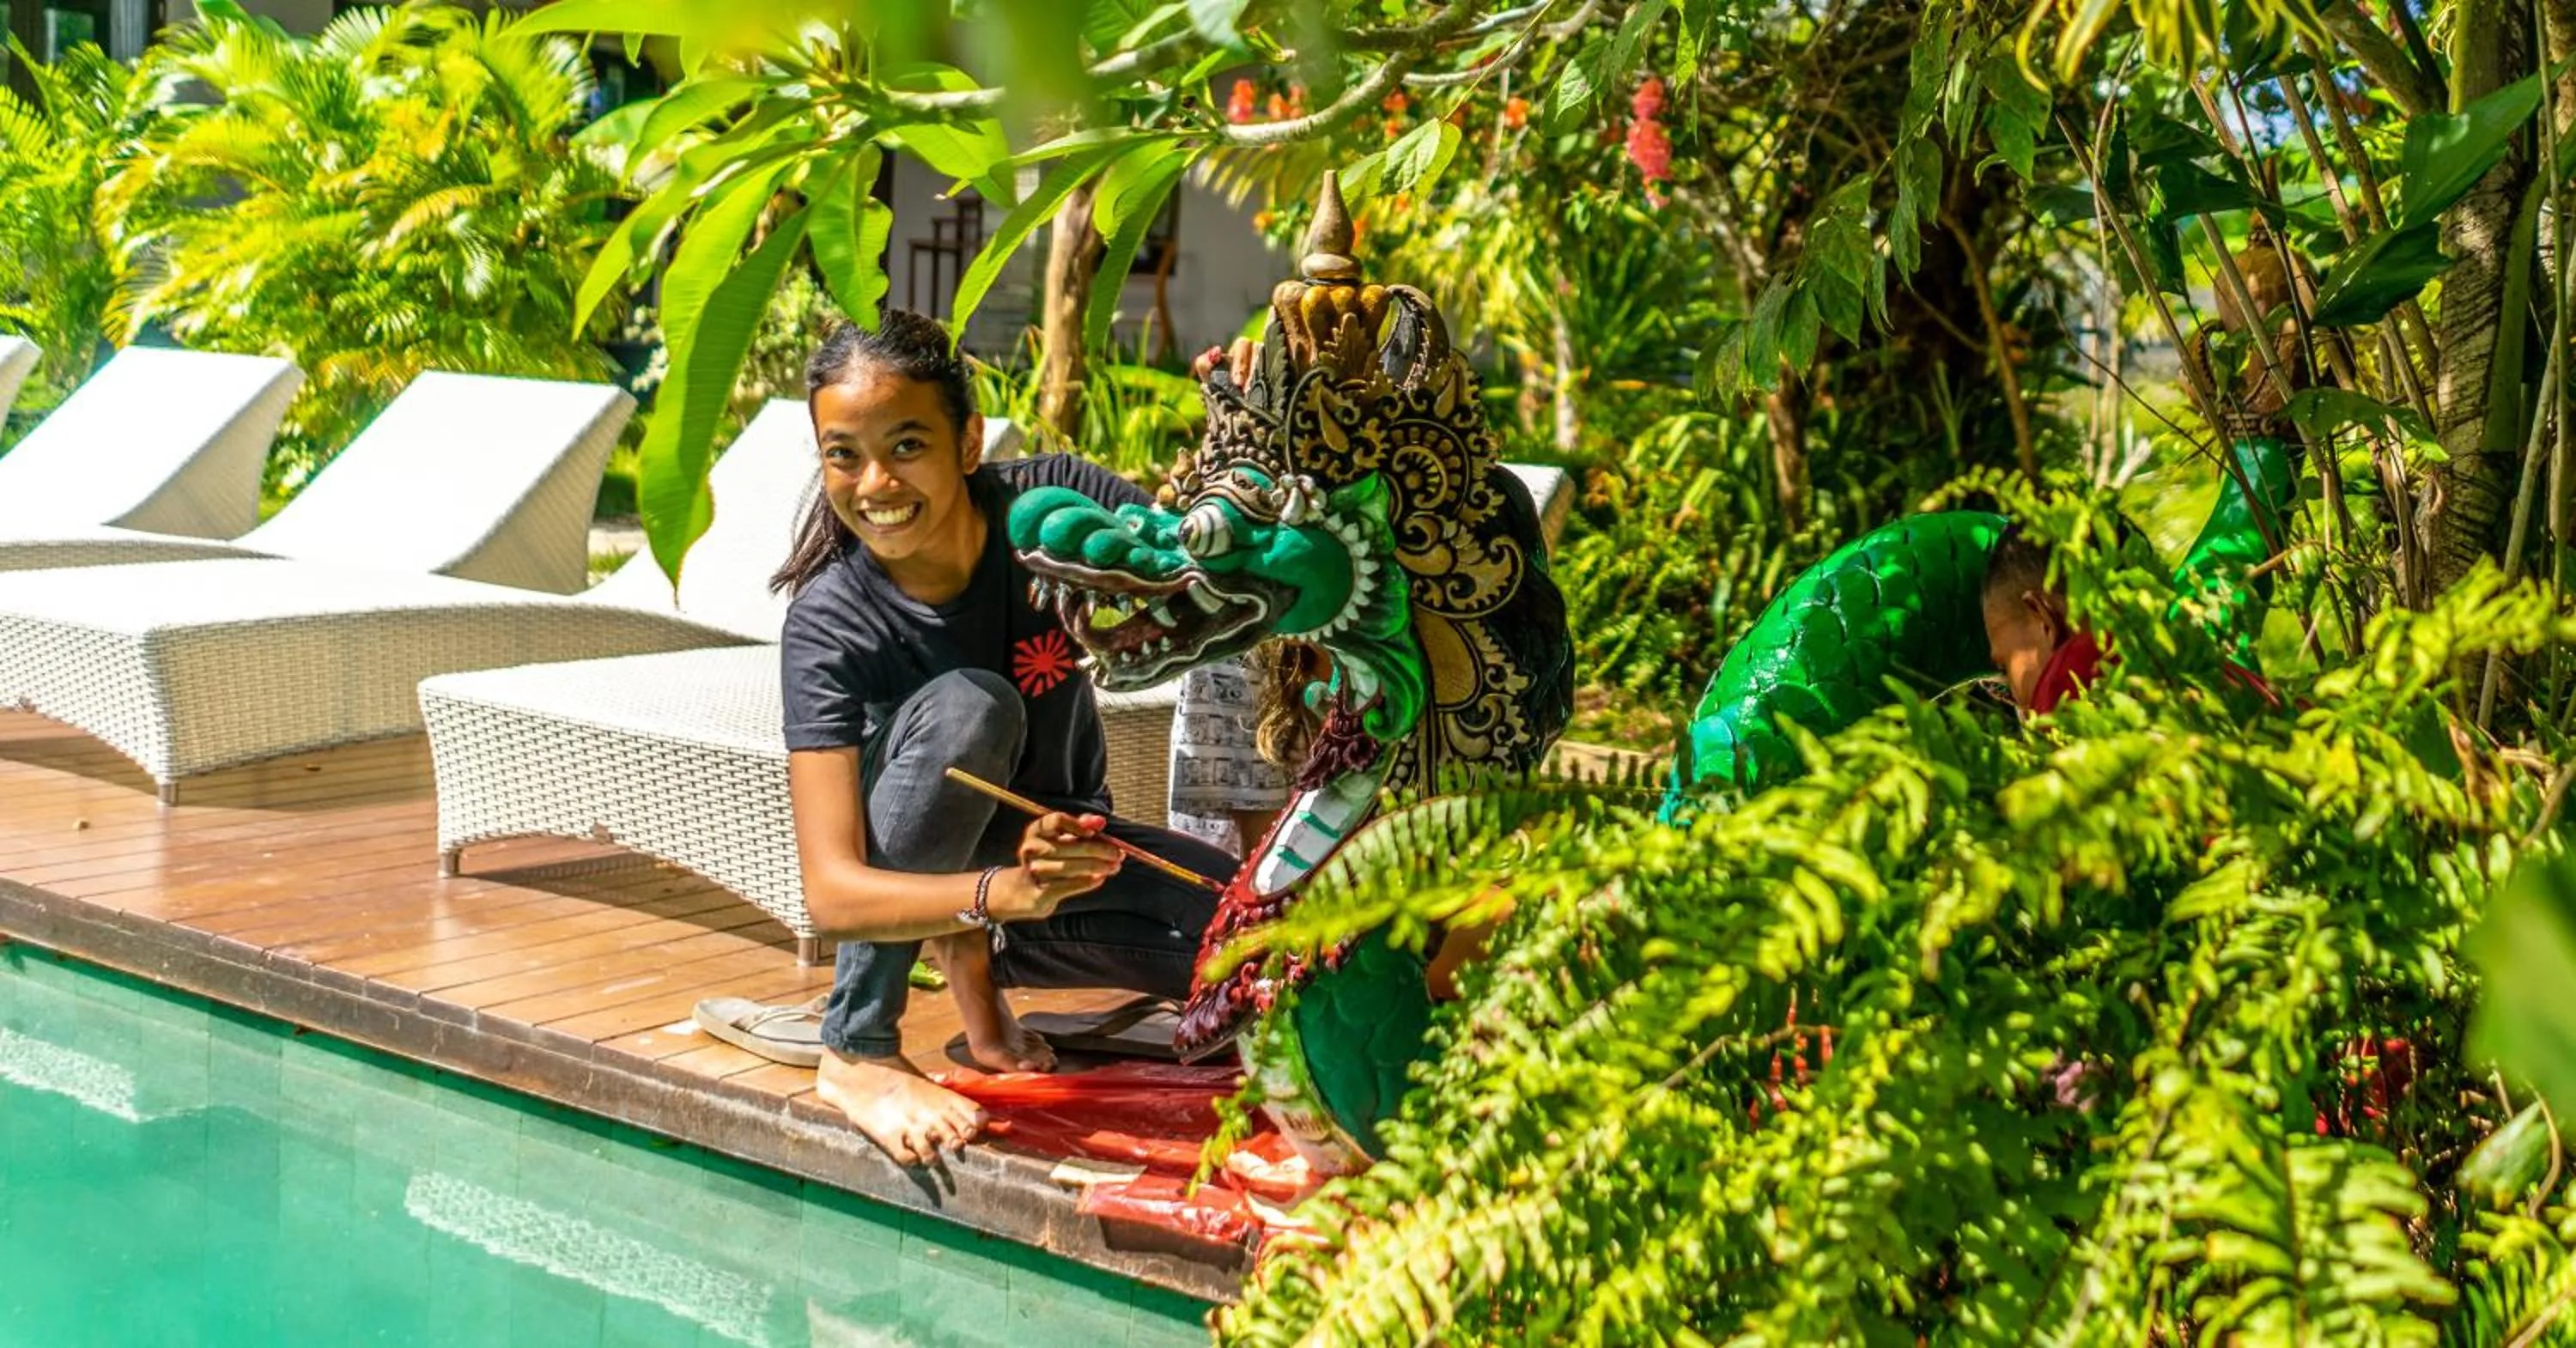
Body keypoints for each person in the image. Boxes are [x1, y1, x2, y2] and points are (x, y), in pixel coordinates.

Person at [773, 312, 1235, 1166]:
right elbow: (833, 893)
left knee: (1259, 946)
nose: (874, 481)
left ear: (969, 439)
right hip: (943, 879)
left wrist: (1248, 433)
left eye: (906, 445)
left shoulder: (1050, 507)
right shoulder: (830, 624)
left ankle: (982, 964)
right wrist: (994, 895)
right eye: (843, 454)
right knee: (972, 707)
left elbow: (1201, 561)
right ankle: (855, 1046)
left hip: (1060, 867)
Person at [1979, 520, 2280, 714]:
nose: (2015, 697)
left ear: (2043, 617)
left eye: (2005, 667)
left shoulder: (2073, 674)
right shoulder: (2197, 661)